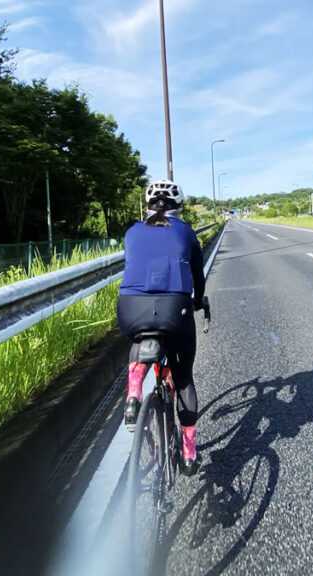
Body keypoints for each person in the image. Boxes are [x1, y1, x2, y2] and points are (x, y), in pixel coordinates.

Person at [117, 179, 206, 476]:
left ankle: (133, 395)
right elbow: (197, 273)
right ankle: (190, 454)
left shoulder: (132, 231)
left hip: (131, 308)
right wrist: (197, 301)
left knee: (139, 338)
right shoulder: (186, 231)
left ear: (147, 206)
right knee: (183, 381)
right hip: (173, 310)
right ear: (178, 206)